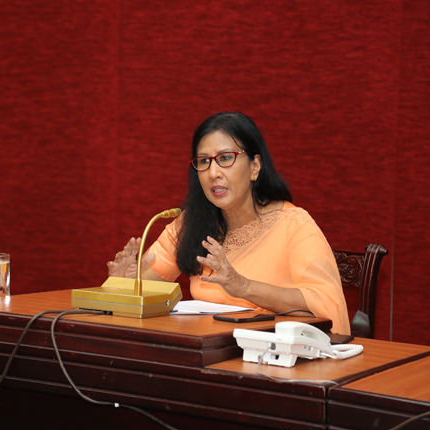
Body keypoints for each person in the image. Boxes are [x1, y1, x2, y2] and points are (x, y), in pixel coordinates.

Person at [107, 112, 350, 334]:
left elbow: (328, 306)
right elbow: (137, 293)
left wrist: (242, 286)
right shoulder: (190, 224)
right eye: (203, 162)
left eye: (225, 158)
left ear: (255, 166)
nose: (213, 172)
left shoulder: (295, 225)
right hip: (207, 352)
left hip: (273, 360)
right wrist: (121, 283)